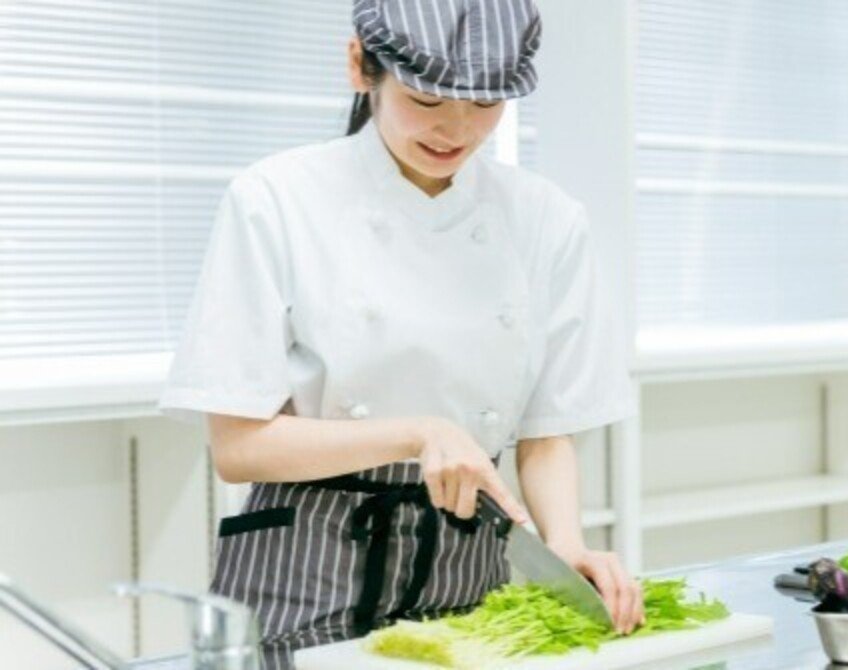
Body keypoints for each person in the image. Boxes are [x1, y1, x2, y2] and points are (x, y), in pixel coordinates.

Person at [158, 1, 640, 666]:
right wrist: (420, 434)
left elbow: (546, 432)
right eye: (425, 99)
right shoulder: (276, 197)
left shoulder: (546, 219)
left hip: (467, 566)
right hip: (306, 565)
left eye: (485, 104)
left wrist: (565, 546)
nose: (455, 129)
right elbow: (238, 447)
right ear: (361, 66)